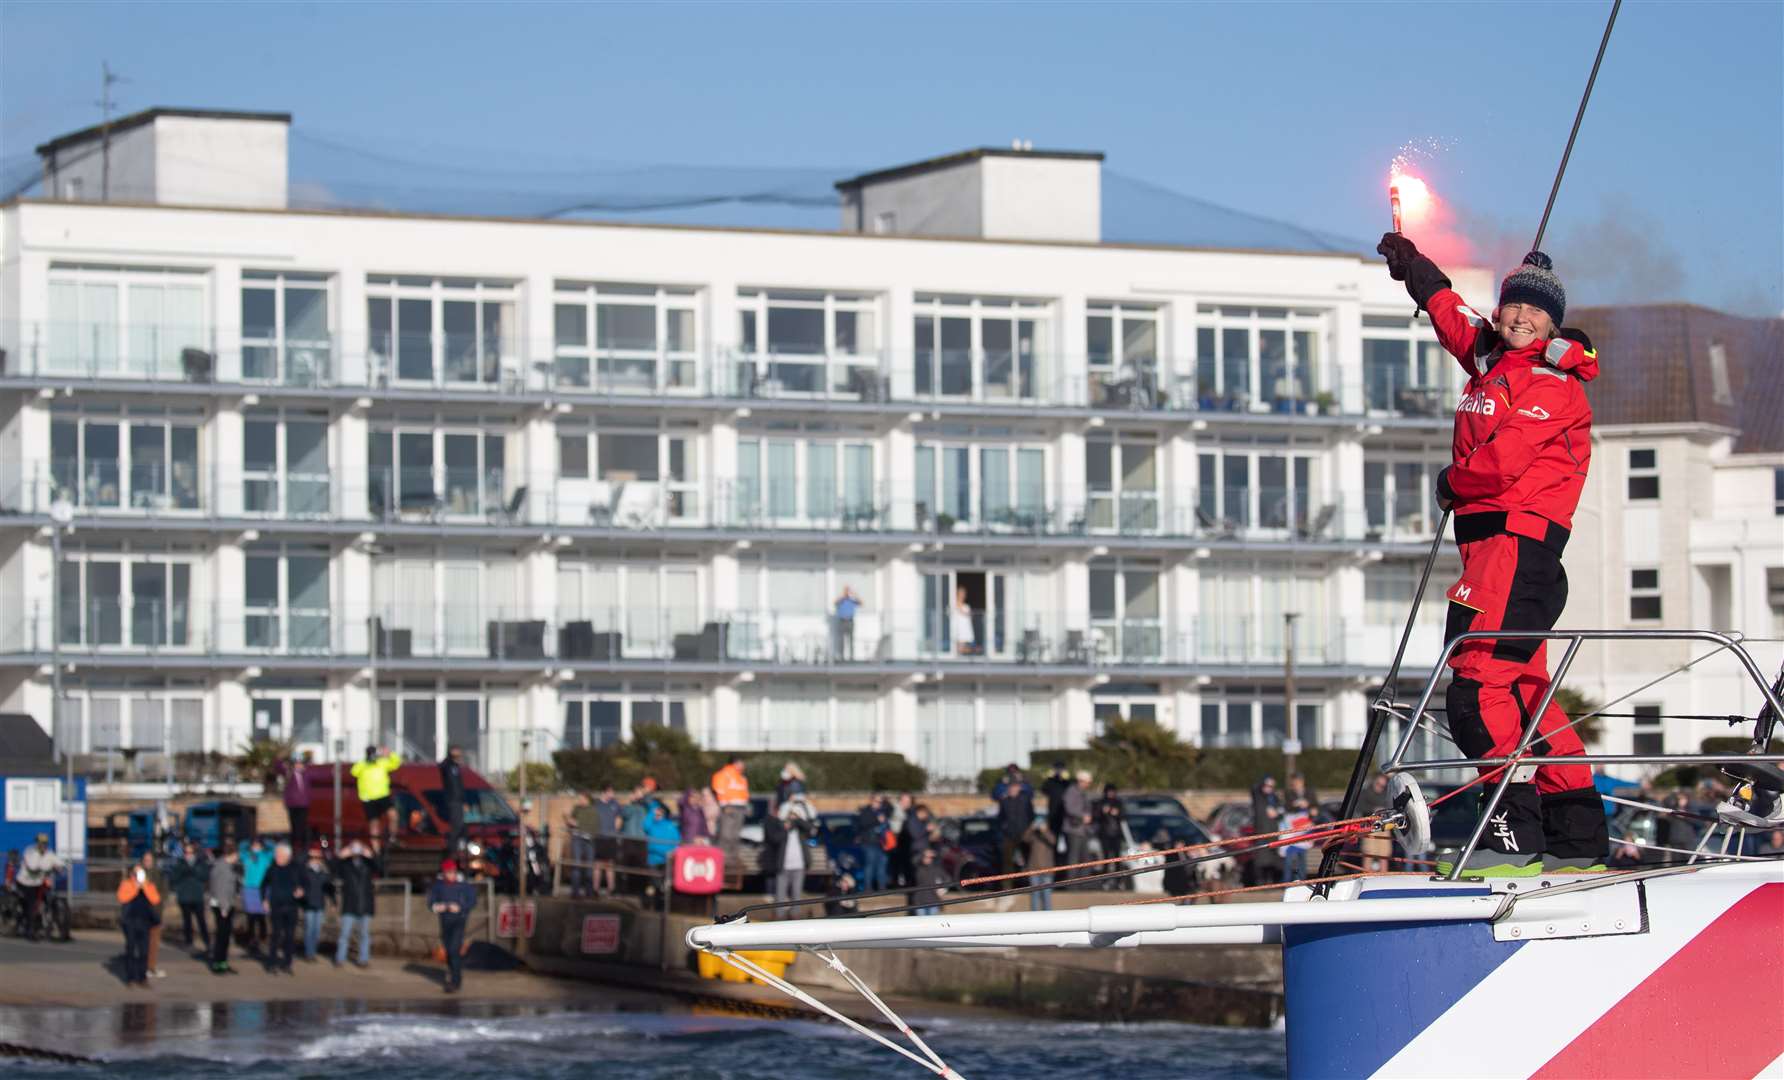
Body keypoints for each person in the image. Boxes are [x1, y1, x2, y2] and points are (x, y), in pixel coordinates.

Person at [1378, 233, 1608, 876]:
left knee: (1475, 689)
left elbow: (1503, 464)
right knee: (1529, 690)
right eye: (1513, 306)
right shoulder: (1491, 360)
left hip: (1515, 548)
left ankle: (1514, 839)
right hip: (1492, 554)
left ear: (1552, 323)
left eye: (1535, 312)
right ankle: (1579, 838)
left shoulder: (1551, 382)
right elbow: (1456, 321)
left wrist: (1452, 483)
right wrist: (1416, 272)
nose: (1520, 317)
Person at [427, 859, 478, 994]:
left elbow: (472, 901)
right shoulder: (438, 886)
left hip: (459, 921)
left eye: (452, 872)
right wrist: (437, 907)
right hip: (445, 921)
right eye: (448, 872)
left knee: (454, 949)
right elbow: (431, 902)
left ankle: (456, 981)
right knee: (449, 950)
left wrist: (460, 907)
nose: (451, 875)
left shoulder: (464, 885)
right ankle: (452, 972)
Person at [763, 795, 814, 918]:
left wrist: (797, 820)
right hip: (784, 866)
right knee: (780, 894)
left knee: (796, 894)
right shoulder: (781, 827)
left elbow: (810, 828)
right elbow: (775, 839)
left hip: (799, 865)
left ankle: (795, 916)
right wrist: (786, 827)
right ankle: (779, 917)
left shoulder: (801, 830)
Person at [116, 862, 161, 988]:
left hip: (144, 922)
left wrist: (144, 886)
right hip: (130, 921)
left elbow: (155, 899)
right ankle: (130, 978)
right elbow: (122, 898)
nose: (138, 875)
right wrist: (136, 887)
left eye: (140, 872)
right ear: (132, 874)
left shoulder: (148, 885)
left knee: (144, 951)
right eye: (136, 873)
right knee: (131, 949)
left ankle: (142, 977)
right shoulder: (127, 884)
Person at [334, 839, 376, 968]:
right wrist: (340, 857)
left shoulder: (368, 864)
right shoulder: (345, 865)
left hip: (365, 904)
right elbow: (333, 870)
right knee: (344, 934)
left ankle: (363, 959)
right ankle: (339, 959)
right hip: (350, 905)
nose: (356, 850)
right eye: (353, 847)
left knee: (364, 935)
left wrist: (371, 856)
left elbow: (381, 867)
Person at [261, 842, 302, 974]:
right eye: (276, 854)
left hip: (291, 906)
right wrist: (264, 900)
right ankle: (272, 963)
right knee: (275, 935)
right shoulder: (272, 869)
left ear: (287, 856)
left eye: (280, 855)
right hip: (276, 906)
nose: (277, 857)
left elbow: (305, 883)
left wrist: (301, 891)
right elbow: (263, 885)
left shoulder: (296, 868)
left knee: (289, 937)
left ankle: (287, 963)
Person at [15, 833, 63, 940]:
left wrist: (60, 867)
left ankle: (58, 926)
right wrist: (43, 868)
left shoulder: (49, 853)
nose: (43, 845)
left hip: (39, 883)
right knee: (31, 904)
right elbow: (32, 866)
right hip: (25, 882)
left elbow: (58, 862)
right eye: (40, 843)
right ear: (37, 843)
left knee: (48, 898)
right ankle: (30, 930)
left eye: (45, 843)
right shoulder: (30, 851)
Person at [167, 840, 211, 953]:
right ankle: (189, 941)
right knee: (187, 921)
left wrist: (195, 871)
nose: (188, 855)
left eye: (190, 852)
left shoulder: (200, 863)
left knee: (201, 920)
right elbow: (173, 878)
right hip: (185, 896)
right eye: (186, 852)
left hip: (197, 896)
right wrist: (183, 873)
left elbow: (205, 876)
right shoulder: (180, 863)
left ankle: (207, 942)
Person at [352, 745, 403, 841]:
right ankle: (377, 851)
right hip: (368, 798)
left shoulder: (382, 763)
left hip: (383, 796)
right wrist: (365, 762)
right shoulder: (362, 765)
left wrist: (389, 754)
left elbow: (396, 762)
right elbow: (354, 771)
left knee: (393, 816)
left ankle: (392, 838)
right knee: (374, 824)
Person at [992, 765, 1035, 875]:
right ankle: (1008, 889)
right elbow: (995, 796)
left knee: (1029, 859)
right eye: (1010, 771)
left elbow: (1031, 814)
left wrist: (1028, 829)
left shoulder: (1025, 796)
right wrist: (1004, 828)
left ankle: (1029, 885)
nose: (1012, 788)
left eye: (1014, 771)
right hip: (1009, 834)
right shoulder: (1004, 797)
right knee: (1007, 863)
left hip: (1024, 834)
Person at [206, 844, 241, 974]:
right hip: (221, 906)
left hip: (228, 904)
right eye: (236, 855)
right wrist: (224, 907)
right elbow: (218, 888)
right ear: (230, 855)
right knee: (221, 936)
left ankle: (223, 962)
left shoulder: (230, 867)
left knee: (226, 936)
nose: (237, 857)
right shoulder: (220, 867)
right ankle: (217, 963)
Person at [710, 755, 749, 859]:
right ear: (735, 763)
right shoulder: (724, 774)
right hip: (729, 807)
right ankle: (722, 859)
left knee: (735, 836)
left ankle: (733, 860)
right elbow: (719, 790)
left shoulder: (741, 777)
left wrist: (746, 806)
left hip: (740, 807)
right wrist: (724, 805)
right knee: (726, 834)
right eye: (741, 762)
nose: (743, 765)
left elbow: (743, 793)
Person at [238, 836, 273, 955]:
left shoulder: (266, 856)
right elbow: (241, 846)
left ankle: (263, 939)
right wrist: (250, 841)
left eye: (258, 844)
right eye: (254, 844)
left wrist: (264, 840)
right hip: (249, 888)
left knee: (262, 916)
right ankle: (251, 940)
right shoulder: (247, 855)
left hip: (262, 888)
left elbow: (273, 847)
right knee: (250, 917)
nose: (256, 846)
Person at [298, 846, 332, 963]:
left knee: (317, 931)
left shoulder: (324, 871)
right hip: (308, 903)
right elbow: (298, 862)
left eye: (318, 857)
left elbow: (329, 885)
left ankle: (313, 951)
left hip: (320, 904)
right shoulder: (305, 870)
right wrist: (307, 853)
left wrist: (333, 902)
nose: (315, 859)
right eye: (313, 857)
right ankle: (309, 953)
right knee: (309, 929)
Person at [137, 851, 167, 978]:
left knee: (154, 942)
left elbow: (164, 891)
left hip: (155, 912)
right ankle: (142, 967)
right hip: (141, 913)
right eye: (145, 860)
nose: (147, 862)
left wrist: (159, 903)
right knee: (143, 942)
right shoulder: (138, 874)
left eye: (149, 860)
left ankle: (151, 967)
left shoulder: (159, 874)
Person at [1250, 777, 1285, 886]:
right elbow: (1253, 788)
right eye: (1267, 785)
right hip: (1261, 832)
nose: (1269, 788)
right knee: (1260, 859)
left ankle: (1271, 881)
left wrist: (1276, 813)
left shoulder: (1275, 798)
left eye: (1271, 786)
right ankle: (1260, 881)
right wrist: (1263, 783)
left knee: (1273, 860)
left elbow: (1282, 812)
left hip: (1273, 832)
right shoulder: (1259, 797)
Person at [1060, 770, 1093, 886]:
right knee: (1073, 859)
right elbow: (1069, 809)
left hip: (1083, 830)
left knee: (1086, 859)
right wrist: (1082, 816)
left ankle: (1083, 884)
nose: (1088, 785)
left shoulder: (1084, 793)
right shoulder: (1071, 791)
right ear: (1081, 781)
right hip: (1073, 830)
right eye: (1087, 782)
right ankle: (1071, 885)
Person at [277, 752, 314, 853]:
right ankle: (294, 847)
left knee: (302, 826)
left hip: (304, 804)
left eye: (301, 763)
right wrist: (280, 758)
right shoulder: (289, 773)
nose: (299, 765)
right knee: (294, 826)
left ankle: (302, 847)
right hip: (292, 804)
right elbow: (279, 767)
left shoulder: (306, 773)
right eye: (297, 763)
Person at [1094, 783, 1126, 889]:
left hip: (1116, 835)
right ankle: (1105, 881)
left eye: (1112, 792)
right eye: (1109, 792)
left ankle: (1119, 881)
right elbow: (1095, 817)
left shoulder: (1118, 803)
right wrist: (1103, 812)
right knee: (1106, 859)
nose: (1111, 794)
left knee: (1117, 859)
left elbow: (1124, 816)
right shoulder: (1100, 803)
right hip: (1105, 835)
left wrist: (1117, 813)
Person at [855, 797, 889, 892]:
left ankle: (882, 887)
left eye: (880, 802)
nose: (879, 804)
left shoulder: (882, 812)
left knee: (881, 866)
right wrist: (877, 820)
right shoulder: (865, 811)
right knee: (869, 865)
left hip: (881, 844)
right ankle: (868, 888)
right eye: (877, 801)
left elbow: (887, 823)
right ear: (871, 801)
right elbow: (863, 823)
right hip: (868, 843)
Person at [1023, 819, 1057, 911]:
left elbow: (1053, 841)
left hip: (1047, 870)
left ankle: (1047, 915)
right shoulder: (1033, 835)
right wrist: (1031, 828)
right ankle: (1034, 916)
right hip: (1034, 869)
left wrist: (1044, 831)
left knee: (1046, 894)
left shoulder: (1049, 834)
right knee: (1035, 894)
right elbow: (1025, 839)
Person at [439, 744, 467, 856]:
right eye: (456, 751)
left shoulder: (456, 767)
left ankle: (458, 847)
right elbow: (441, 766)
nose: (458, 753)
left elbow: (459, 785)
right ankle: (451, 850)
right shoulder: (448, 765)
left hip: (458, 800)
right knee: (457, 825)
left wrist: (463, 800)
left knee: (461, 826)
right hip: (452, 800)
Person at [1041, 761, 1071, 852]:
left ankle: (1065, 861)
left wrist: (1065, 778)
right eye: (1057, 769)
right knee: (1053, 839)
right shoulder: (1050, 782)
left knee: (1068, 840)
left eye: (1061, 769)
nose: (1059, 772)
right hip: (1053, 815)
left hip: (1066, 815)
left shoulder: (1067, 783)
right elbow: (1044, 790)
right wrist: (1049, 777)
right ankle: (1055, 860)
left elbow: (1072, 788)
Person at [642, 802, 681, 868]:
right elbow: (645, 825)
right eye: (656, 813)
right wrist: (652, 810)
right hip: (653, 860)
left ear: (664, 814)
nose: (657, 814)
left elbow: (677, 841)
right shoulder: (651, 825)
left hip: (667, 860)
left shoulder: (671, 826)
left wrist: (672, 853)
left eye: (660, 813)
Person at [910, 848, 946, 916]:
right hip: (919, 902)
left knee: (933, 925)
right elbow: (913, 860)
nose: (927, 859)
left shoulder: (937, 869)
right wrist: (923, 853)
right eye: (925, 857)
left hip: (933, 902)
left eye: (929, 857)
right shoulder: (918, 868)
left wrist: (942, 890)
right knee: (921, 924)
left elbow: (947, 879)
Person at [834, 585, 862, 661]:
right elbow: (835, 602)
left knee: (851, 640)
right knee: (841, 640)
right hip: (842, 621)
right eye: (846, 590)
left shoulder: (852, 600)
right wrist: (843, 595)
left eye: (848, 591)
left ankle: (851, 657)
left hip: (850, 621)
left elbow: (861, 603)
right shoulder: (841, 600)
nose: (847, 592)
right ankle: (842, 657)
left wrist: (854, 594)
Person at [951, 585, 976, 655]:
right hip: (957, 630)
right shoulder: (953, 604)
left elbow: (970, 615)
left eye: (964, 594)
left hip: (965, 630)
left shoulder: (966, 606)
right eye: (961, 593)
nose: (963, 595)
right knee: (958, 649)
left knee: (964, 648)